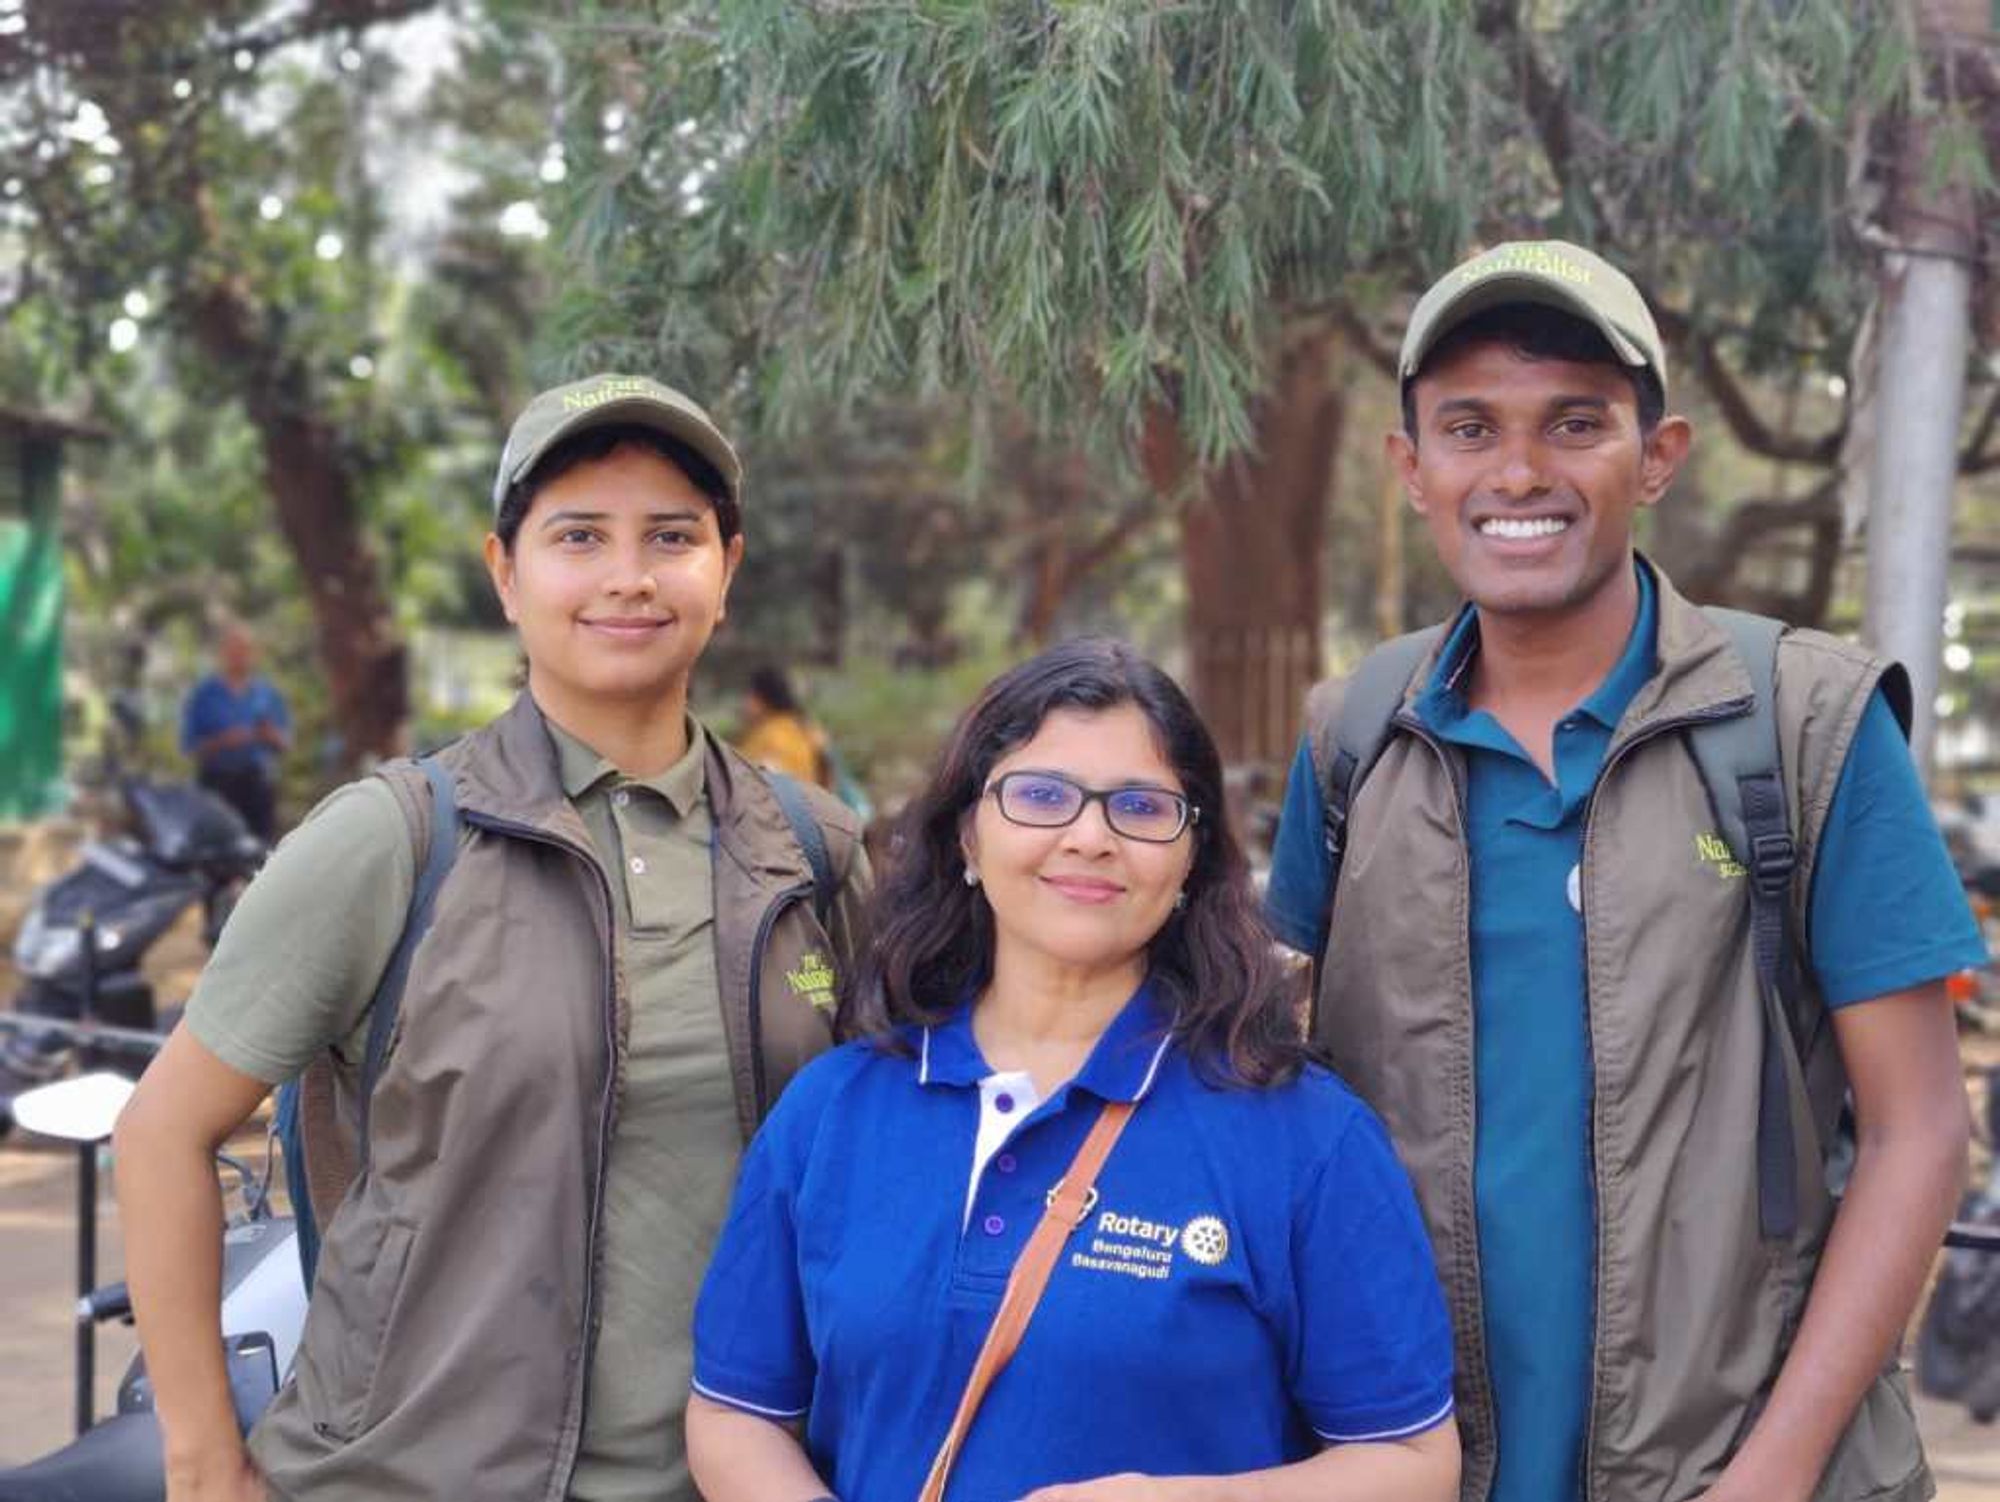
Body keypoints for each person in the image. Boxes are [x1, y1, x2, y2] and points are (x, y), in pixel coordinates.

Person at [1265, 241, 1983, 1502]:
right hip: (1418, 1464)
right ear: (1411, 469)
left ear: (1655, 456)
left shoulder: (1799, 722)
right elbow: (1278, 1101)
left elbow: (1920, 1131)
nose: (1520, 472)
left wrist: (1773, 1469)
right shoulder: (1355, 736)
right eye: (1469, 427)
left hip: (1727, 1466)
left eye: (1576, 422)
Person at [113, 373, 872, 1502]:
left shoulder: (810, 848)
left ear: (727, 571)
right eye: (578, 535)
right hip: (411, 1476)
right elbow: (161, 1133)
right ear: (505, 574)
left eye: (672, 535)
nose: (628, 574)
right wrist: (204, 1461)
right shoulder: (394, 841)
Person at [687, 638, 1459, 1502]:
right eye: (1041, 795)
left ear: (1191, 862)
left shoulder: (1305, 1137)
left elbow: (1413, 1463)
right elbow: (736, 1413)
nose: (1089, 836)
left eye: (1139, 805)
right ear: (967, 839)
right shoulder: (833, 1111)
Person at [180, 620, 291, 841]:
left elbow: (285, 743)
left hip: (258, 784)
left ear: (253, 653)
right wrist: (222, 741)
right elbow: (189, 747)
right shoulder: (204, 695)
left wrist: (270, 735)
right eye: (233, 650)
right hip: (217, 784)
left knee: (260, 851)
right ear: (222, 653)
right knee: (218, 850)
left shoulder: (268, 694)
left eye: (244, 650)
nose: (239, 655)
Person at [736, 665, 828, 786]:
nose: (744, 703)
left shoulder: (769, 736)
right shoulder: (806, 728)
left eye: (748, 695)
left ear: (761, 699)